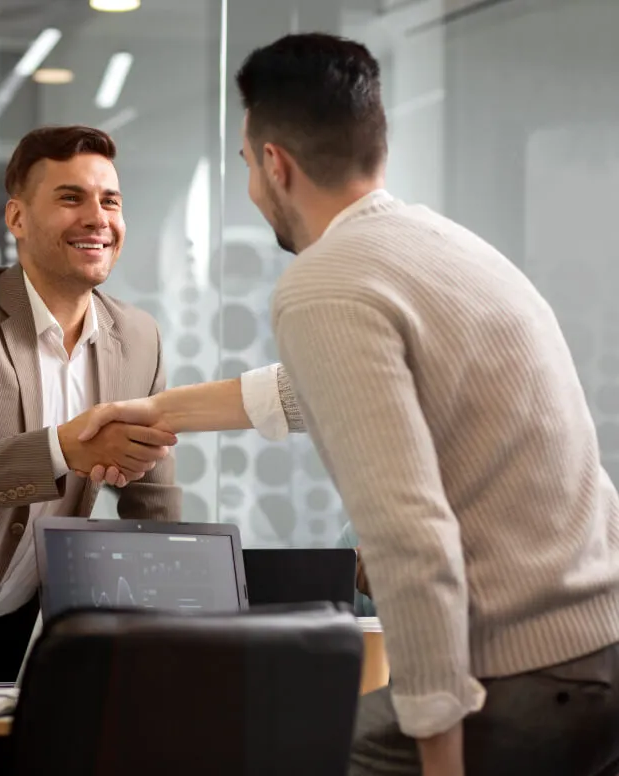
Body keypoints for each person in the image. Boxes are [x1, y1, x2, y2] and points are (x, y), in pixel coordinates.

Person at [71, 34, 619, 776]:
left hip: (521, 678)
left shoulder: (326, 282)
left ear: (274, 165)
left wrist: (439, 751)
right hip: (597, 652)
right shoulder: (439, 247)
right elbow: (308, 389)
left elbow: (408, 534)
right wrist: (152, 413)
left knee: (247, 750)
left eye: (245, 165)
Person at [0, 125, 302, 683]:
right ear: (16, 219)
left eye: (110, 200)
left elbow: (152, 504)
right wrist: (63, 448)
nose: (97, 218)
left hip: (17, 618)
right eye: (70, 198)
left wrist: (183, 636)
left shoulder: (137, 337)